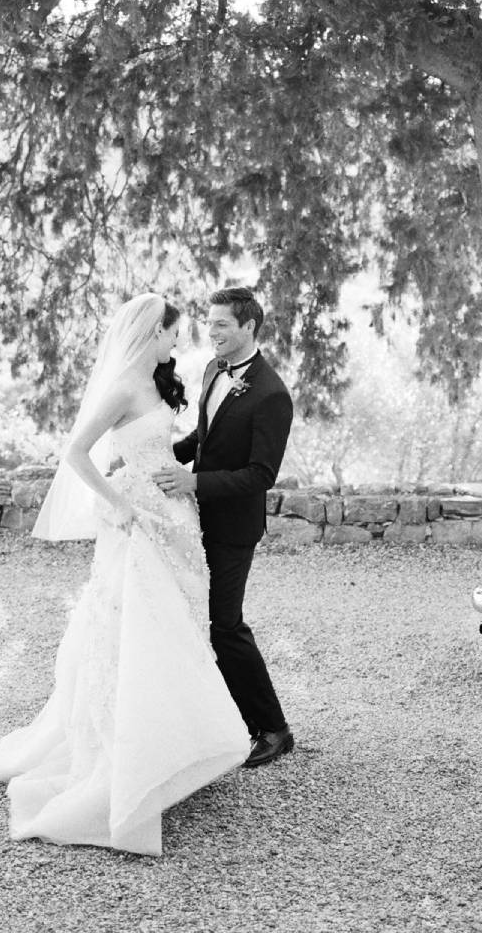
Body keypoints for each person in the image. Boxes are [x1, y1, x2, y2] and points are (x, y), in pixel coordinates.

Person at [0, 293, 248, 856]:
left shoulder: (156, 379)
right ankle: (126, 756)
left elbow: (155, 445)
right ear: (153, 332)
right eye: (174, 333)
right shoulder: (124, 384)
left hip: (173, 517)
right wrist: (118, 502)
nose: (179, 342)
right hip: (140, 523)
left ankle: (172, 746)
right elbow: (76, 453)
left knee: (180, 630)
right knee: (141, 632)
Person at [154, 286, 296, 768]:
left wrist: (192, 481)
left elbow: (261, 475)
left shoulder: (272, 395)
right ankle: (228, 718)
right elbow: (205, 436)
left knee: (226, 625)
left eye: (221, 325)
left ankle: (274, 729)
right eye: (208, 323)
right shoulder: (214, 370)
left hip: (234, 526)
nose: (210, 332)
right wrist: (160, 458)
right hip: (197, 517)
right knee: (198, 618)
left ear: (249, 328)